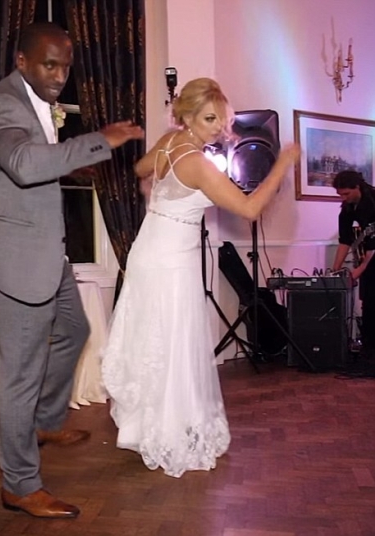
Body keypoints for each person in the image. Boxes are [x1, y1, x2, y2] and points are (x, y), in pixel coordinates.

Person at [0, 22, 144, 519]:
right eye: (50, 64)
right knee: (20, 378)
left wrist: (69, 167)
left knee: (74, 328)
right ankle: (20, 485)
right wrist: (99, 140)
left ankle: (44, 421)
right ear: (22, 61)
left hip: (47, 251)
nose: (60, 75)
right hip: (19, 260)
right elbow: (23, 164)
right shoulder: (3, 105)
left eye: (66, 66)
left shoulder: (34, 102)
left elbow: (31, 166)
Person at [101, 77, 300, 478]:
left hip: (147, 251)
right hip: (171, 262)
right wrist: (282, 163)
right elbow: (249, 209)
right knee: (174, 344)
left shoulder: (168, 143)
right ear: (187, 116)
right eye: (209, 119)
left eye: (221, 119)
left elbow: (141, 168)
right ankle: (169, 431)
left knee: (152, 339)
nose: (218, 127)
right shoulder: (197, 163)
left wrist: (157, 192)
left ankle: (144, 426)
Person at [331, 170, 375, 357]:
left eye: (346, 193)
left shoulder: (373, 202)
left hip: (373, 252)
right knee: (368, 301)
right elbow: (345, 240)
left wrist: (358, 271)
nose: (344, 198)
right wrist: (335, 270)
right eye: (340, 194)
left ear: (357, 187)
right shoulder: (348, 209)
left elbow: (373, 247)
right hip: (370, 253)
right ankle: (369, 348)